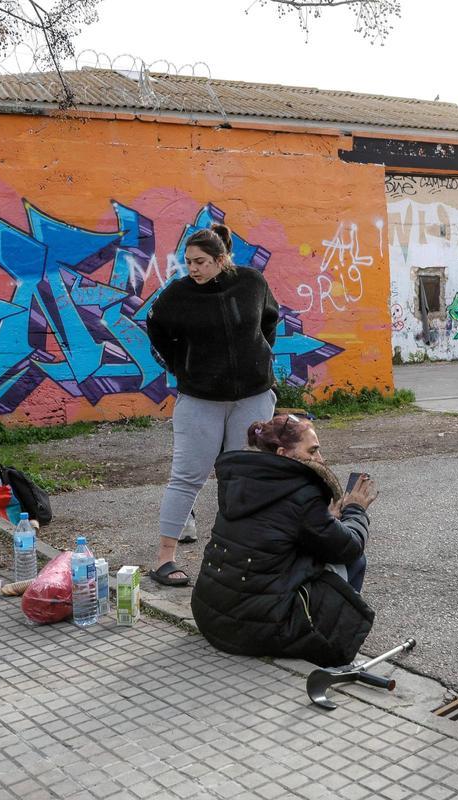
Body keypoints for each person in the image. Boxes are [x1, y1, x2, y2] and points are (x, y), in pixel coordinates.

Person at [144, 224, 280, 586]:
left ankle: (236, 556)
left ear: (222, 260)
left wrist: (260, 355)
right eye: (188, 262)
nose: (193, 269)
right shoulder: (179, 295)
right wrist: (181, 365)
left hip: (252, 397)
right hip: (200, 399)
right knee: (187, 477)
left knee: (242, 477)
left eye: (201, 262)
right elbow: (155, 328)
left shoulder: (252, 283)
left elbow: (269, 321)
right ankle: (165, 559)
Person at [190, 413, 379, 667]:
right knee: (355, 560)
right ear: (283, 453)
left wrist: (326, 519)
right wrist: (355, 510)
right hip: (257, 631)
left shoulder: (241, 481)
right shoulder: (302, 493)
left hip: (211, 618)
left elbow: (276, 532)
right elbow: (349, 547)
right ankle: (332, 639)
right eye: (312, 451)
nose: (320, 460)